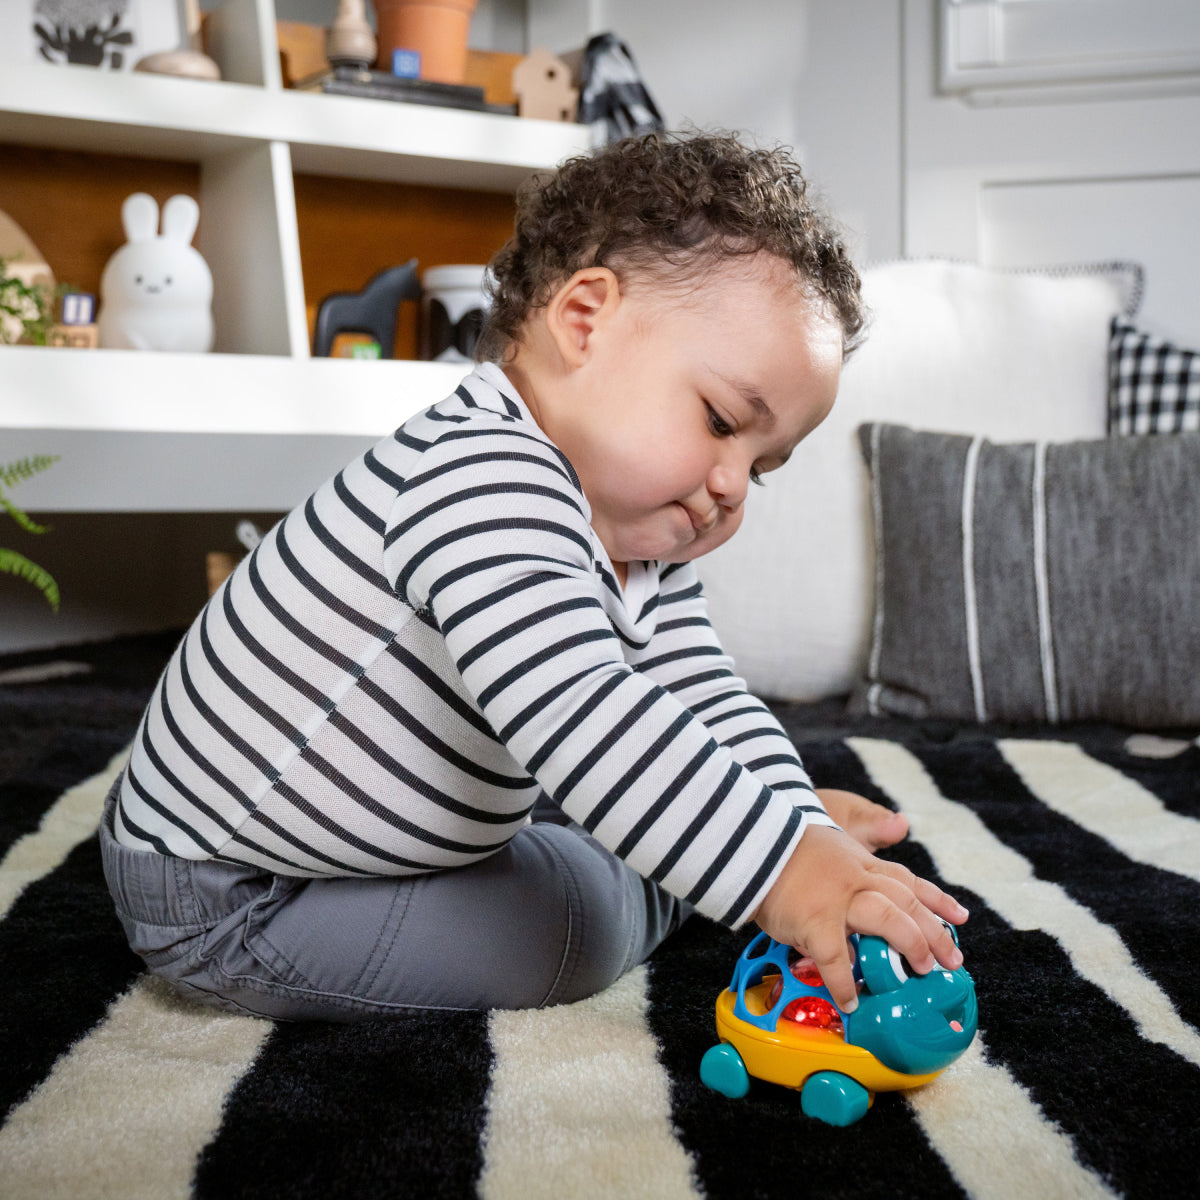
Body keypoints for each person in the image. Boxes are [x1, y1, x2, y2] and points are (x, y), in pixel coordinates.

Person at [99, 131, 966, 1022]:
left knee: (628, 796)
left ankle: (712, 836)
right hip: (241, 896)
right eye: (718, 420)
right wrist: (780, 875)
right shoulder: (480, 474)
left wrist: (796, 828)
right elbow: (583, 711)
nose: (733, 485)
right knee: (572, 930)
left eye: (764, 465)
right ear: (584, 318)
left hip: (346, 853)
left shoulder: (631, 532)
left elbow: (704, 698)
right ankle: (680, 877)